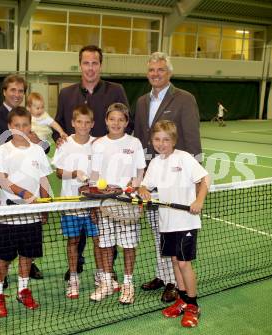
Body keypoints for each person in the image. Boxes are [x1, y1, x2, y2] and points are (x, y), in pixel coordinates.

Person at [55, 45, 130, 280]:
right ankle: (75, 267)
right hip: (77, 174)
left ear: (100, 65)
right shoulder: (66, 94)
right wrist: (59, 140)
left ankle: (107, 270)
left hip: (107, 172)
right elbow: (58, 125)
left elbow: (127, 123)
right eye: (86, 63)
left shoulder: (116, 90)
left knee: (104, 225)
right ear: (80, 65)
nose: (90, 68)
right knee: (77, 228)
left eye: (94, 63)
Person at [134, 52, 202, 303]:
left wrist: (195, 185)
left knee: (172, 232)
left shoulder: (184, 99)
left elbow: (193, 139)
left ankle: (175, 284)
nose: (156, 74)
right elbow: (141, 139)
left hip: (177, 180)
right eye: (151, 70)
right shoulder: (142, 101)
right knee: (158, 230)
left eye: (161, 70)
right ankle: (162, 276)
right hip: (152, 178)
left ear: (169, 73)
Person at [138, 120, 209, 327]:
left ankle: (193, 305)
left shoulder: (184, 158)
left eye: (166, 140)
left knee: (184, 263)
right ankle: (182, 299)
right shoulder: (155, 163)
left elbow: (204, 179)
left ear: (174, 141)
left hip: (186, 221)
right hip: (166, 222)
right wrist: (143, 190)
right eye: (157, 139)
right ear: (152, 141)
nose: (161, 144)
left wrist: (199, 200)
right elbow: (145, 185)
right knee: (175, 262)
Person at [0, 107, 52, 317]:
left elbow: (44, 179)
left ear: (30, 126)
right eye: (16, 126)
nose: (21, 129)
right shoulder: (3, 150)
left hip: (33, 215)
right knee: (4, 258)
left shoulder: (37, 150)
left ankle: (23, 290)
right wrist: (24, 193)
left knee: (27, 255)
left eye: (25, 125)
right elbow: (2, 179)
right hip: (9, 216)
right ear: (10, 127)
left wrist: (45, 204)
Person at [0, 74, 44, 281]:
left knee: (28, 235)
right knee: (4, 246)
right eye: (13, 90)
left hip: (29, 188)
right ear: (4, 91)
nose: (17, 94)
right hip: (7, 193)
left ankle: (28, 269)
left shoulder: (28, 115)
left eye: (21, 91)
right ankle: (0, 283)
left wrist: (37, 141)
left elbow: (40, 150)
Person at [90, 102, 146, 305]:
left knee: (128, 246)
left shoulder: (135, 143)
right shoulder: (98, 145)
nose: (116, 123)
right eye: (112, 119)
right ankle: (106, 282)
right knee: (106, 245)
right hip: (105, 203)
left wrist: (135, 185)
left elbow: (140, 172)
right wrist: (96, 198)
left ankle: (128, 284)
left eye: (120, 119)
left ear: (126, 122)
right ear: (106, 121)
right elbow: (94, 176)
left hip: (127, 204)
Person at [52, 105, 106, 299]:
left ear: (92, 124)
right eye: (79, 122)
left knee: (98, 241)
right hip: (71, 203)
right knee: (73, 241)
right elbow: (58, 173)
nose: (83, 126)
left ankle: (102, 276)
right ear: (73, 123)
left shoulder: (98, 144)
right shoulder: (64, 144)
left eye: (87, 122)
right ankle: (73, 278)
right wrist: (74, 174)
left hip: (93, 203)